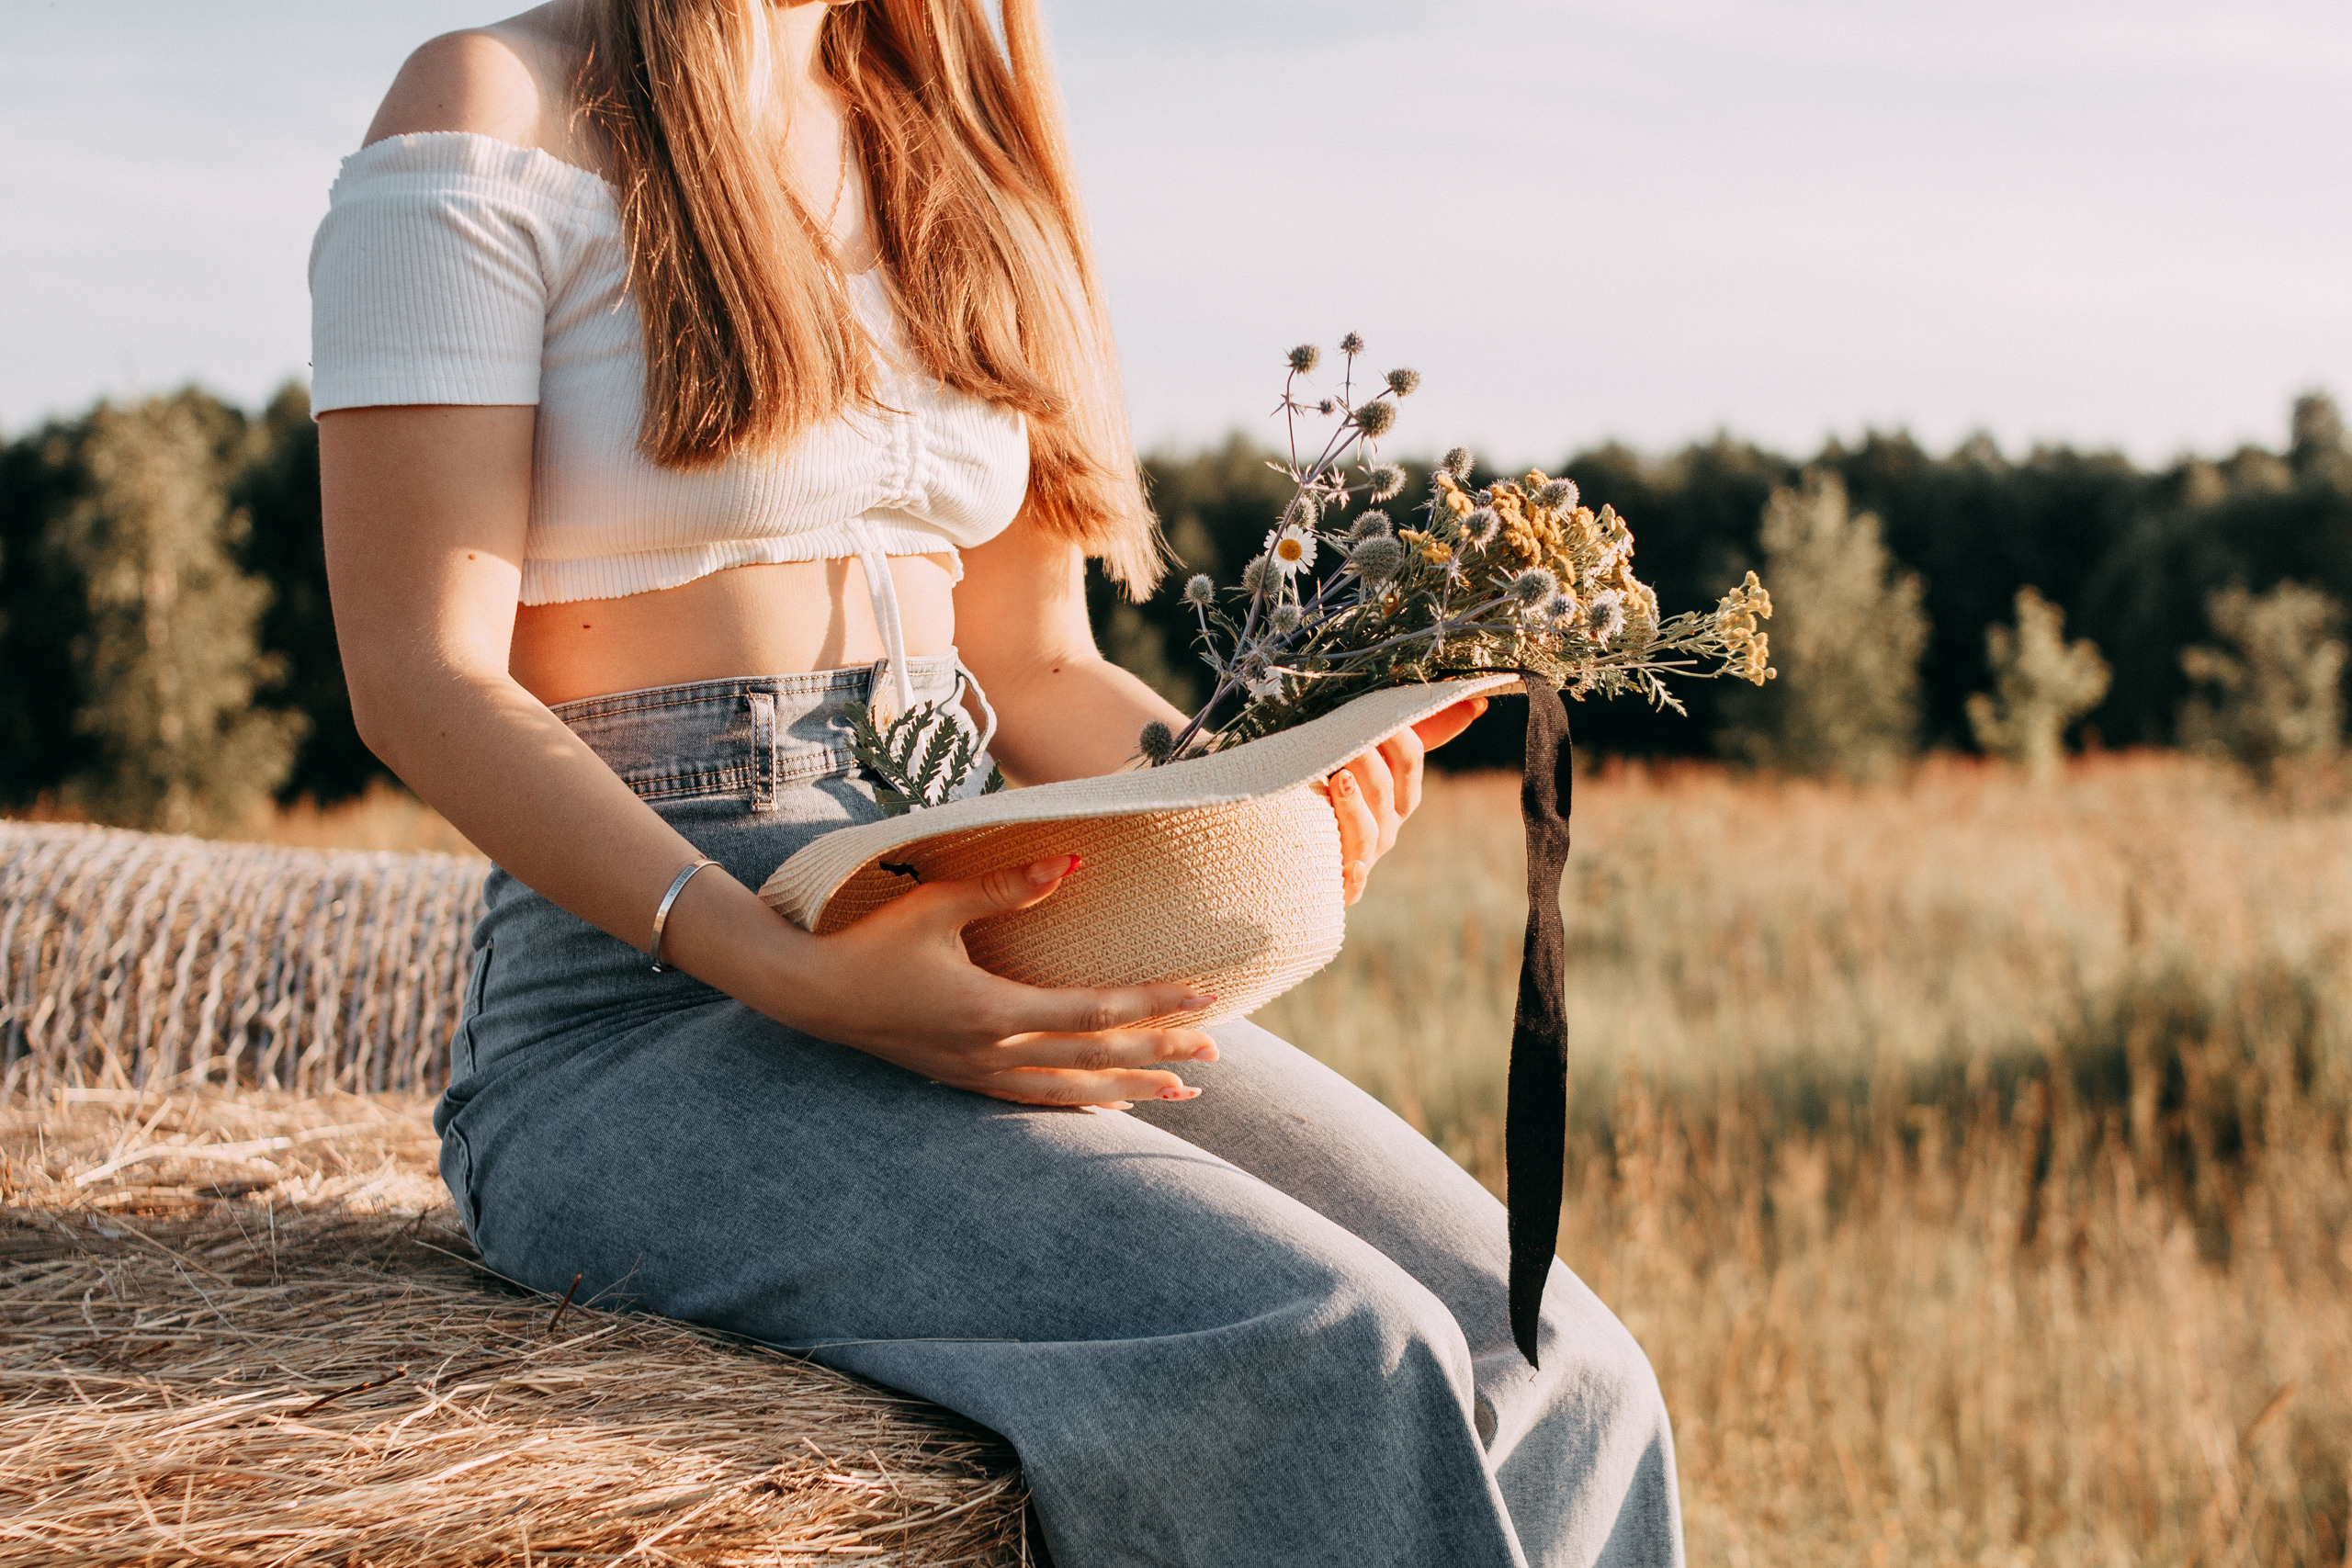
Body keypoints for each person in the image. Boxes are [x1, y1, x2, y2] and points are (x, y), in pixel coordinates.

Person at [311, 2, 1682, 1562]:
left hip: (982, 920)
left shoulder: (955, 151)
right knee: (1331, 1352)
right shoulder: (496, 104)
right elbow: (420, 674)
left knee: (1557, 1363)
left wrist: (1257, 801)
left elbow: (1032, 666)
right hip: (642, 1011)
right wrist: (785, 965)